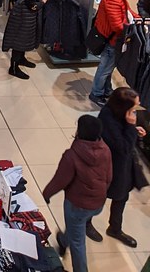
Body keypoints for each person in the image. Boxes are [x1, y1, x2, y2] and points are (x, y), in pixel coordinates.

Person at [42, 114, 112, 272]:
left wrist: (46, 194)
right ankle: (63, 240)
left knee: (78, 244)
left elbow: (60, 180)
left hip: (78, 205)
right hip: (98, 203)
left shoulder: (72, 155)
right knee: (76, 227)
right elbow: (109, 177)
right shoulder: (105, 150)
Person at [95, 87, 148, 247]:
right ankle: (86, 223)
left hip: (122, 168)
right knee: (98, 198)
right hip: (108, 167)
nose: (136, 110)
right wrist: (131, 126)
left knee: (121, 196)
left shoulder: (118, 113)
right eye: (134, 107)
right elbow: (123, 147)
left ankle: (115, 228)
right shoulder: (107, 118)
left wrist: (133, 129)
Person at [89, 0, 141, 107]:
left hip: (110, 37)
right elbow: (118, 26)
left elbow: (127, 11)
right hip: (111, 40)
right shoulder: (114, 0)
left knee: (108, 67)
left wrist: (138, 19)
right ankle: (96, 94)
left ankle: (106, 90)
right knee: (105, 68)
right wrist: (133, 28)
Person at [2, 0, 48, 79]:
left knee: (21, 39)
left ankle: (21, 59)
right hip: (23, 16)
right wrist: (43, 2)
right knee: (19, 41)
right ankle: (14, 68)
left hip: (17, 13)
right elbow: (33, 6)